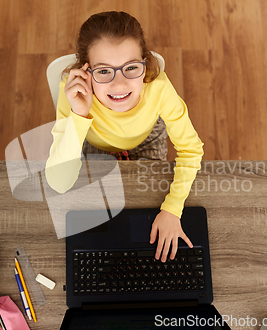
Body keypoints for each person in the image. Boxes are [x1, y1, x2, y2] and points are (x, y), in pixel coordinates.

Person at [45, 11, 204, 263]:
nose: (119, 85)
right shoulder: (72, 93)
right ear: (84, 71)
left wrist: (173, 209)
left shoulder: (159, 88)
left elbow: (191, 150)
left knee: (146, 205)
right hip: (91, 140)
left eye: (131, 67)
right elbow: (60, 183)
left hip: (146, 139)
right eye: (104, 71)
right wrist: (79, 115)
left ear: (144, 63)